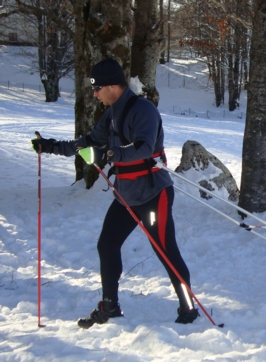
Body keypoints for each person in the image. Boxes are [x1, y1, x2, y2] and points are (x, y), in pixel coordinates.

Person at [32, 58, 199, 329]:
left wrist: (109, 153)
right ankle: (110, 306)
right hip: (126, 196)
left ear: (113, 86)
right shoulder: (110, 115)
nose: (95, 94)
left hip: (154, 194)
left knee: (165, 250)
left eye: (97, 88)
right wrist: (49, 146)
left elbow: (144, 147)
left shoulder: (143, 110)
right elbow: (86, 143)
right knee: (107, 245)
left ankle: (189, 309)